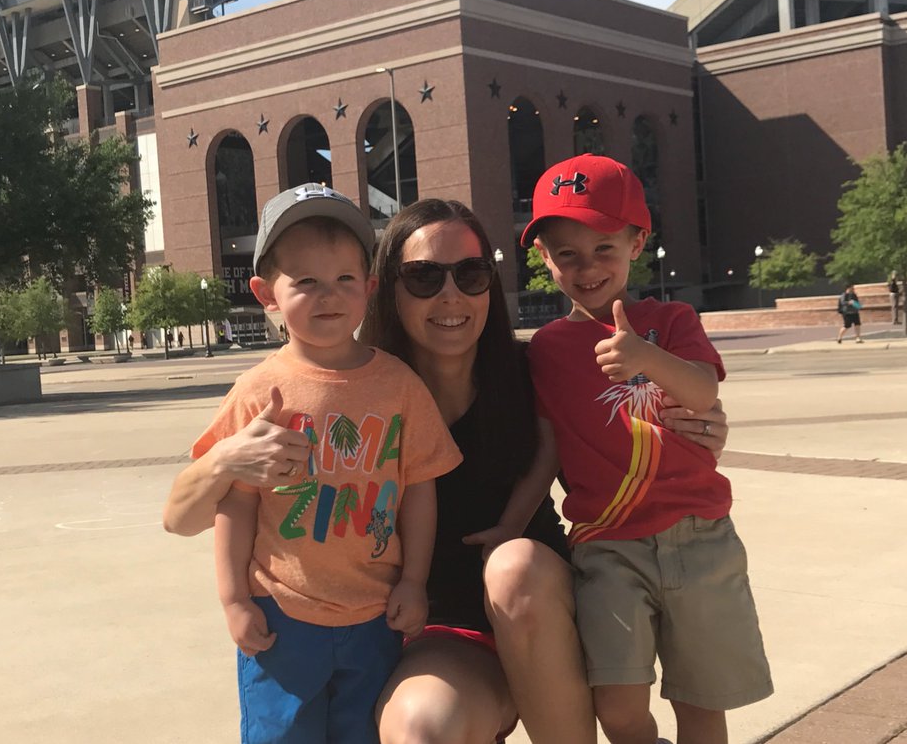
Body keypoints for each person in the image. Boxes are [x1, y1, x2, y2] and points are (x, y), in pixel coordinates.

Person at [164, 196, 731, 743]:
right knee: (419, 728)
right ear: (386, 287)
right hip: (437, 634)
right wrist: (223, 458)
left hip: (550, 616)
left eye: (471, 273)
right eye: (425, 278)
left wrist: (701, 424)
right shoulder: (357, 387)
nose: (451, 294)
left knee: (514, 567)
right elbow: (182, 519)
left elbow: (626, 432)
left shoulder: (535, 368)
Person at [184, 184, 462, 743]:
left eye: (344, 279)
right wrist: (234, 598)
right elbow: (234, 503)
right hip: (280, 619)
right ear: (266, 292)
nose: (328, 295)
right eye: (305, 281)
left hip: (375, 614)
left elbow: (418, 492)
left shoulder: (400, 387)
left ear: (370, 287)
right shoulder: (256, 391)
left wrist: (414, 580)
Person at [514, 155, 771, 744]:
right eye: (566, 254)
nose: (587, 268)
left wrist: (646, 358)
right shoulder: (547, 349)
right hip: (608, 545)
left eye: (604, 248)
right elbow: (547, 449)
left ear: (637, 242)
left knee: (703, 704)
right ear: (546, 259)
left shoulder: (673, 319)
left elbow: (704, 391)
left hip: (700, 535)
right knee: (619, 707)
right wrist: (509, 523)